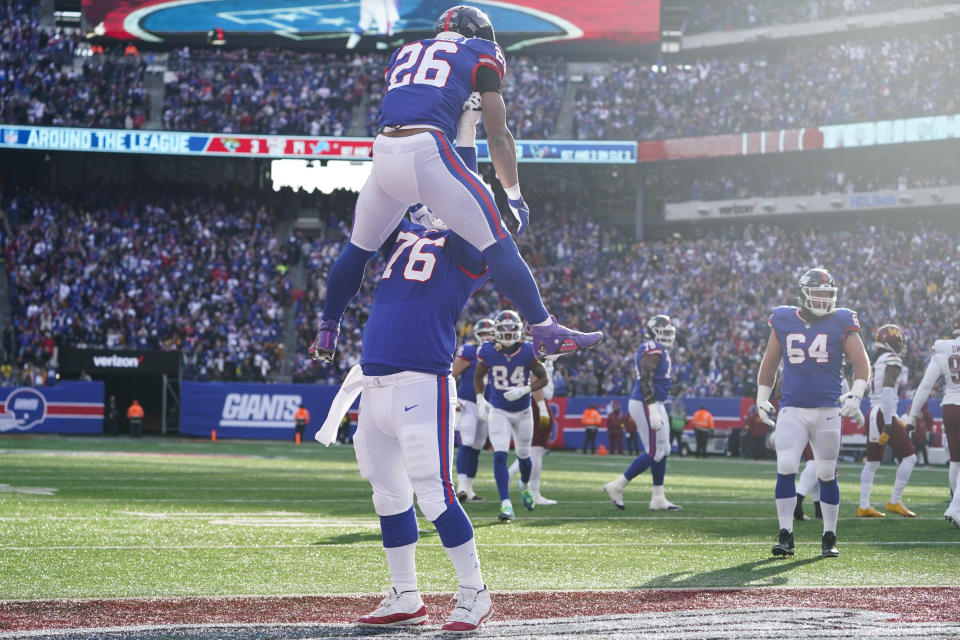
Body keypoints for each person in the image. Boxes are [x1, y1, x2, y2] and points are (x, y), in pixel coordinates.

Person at [309, 5, 602, 367]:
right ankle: (544, 329)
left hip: (384, 151)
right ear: (479, 33)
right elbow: (498, 134)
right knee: (497, 241)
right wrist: (513, 195)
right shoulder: (482, 51)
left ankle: (328, 327)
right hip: (428, 149)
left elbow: (412, 99)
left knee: (357, 249)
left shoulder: (403, 52)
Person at [319, 196, 493, 630]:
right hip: (375, 383)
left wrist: (465, 141)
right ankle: (405, 596)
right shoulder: (412, 231)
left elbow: (463, 190)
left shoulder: (471, 253)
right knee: (388, 496)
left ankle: (475, 591)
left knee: (435, 494)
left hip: (421, 381)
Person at [756, 268, 870, 558]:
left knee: (826, 471)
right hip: (792, 407)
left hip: (828, 408)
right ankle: (786, 534)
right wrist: (762, 397)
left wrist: (856, 394)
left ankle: (829, 536)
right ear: (804, 294)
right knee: (785, 466)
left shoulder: (842, 319)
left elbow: (862, 365)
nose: (823, 299)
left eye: (827, 294)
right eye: (818, 293)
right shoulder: (782, 318)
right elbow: (770, 362)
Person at [474, 310, 549, 522]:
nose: (507, 335)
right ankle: (505, 504)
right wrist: (480, 399)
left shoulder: (527, 350)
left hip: (523, 410)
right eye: (502, 331)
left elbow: (543, 379)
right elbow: (478, 375)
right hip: (498, 410)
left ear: (518, 331)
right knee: (499, 454)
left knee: (525, 457)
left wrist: (525, 390)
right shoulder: (487, 350)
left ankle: (524, 485)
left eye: (511, 331)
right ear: (495, 332)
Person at [603, 315, 682, 512]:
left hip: (655, 402)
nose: (667, 336)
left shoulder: (660, 349)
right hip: (647, 402)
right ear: (653, 331)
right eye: (663, 332)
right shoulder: (651, 348)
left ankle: (658, 498)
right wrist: (653, 407)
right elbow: (646, 379)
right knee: (655, 451)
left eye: (669, 332)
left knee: (663, 451)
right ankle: (617, 486)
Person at [901, 310, 960, 529]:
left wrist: (912, 416)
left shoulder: (943, 348)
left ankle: (956, 502)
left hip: (950, 406)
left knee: (956, 460)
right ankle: (956, 506)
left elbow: (925, 386)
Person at [858, 324, 917, 518]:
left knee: (873, 463)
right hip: (884, 414)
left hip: (873, 412)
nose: (901, 346)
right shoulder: (892, 359)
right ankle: (894, 501)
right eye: (898, 342)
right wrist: (890, 424)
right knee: (910, 457)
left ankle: (864, 505)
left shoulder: (878, 361)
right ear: (891, 343)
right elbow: (888, 390)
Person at [452, 317, 496, 502]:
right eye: (483, 334)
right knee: (467, 443)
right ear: (477, 335)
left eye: (489, 334)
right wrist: (452, 399)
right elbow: (451, 375)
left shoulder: (498, 352)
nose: (486, 337)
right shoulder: (470, 351)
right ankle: (461, 487)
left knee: (478, 446)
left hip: (486, 405)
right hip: (467, 402)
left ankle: (469, 490)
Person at [509, 356, 559, 504]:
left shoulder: (536, 346)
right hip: (536, 398)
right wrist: (542, 405)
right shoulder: (537, 347)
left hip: (534, 398)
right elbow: (534, 376)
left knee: (530, 450)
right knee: (536, 448)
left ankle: (507, 477)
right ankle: (534, 492)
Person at [912, 403, 931, 467]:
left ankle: (926, 464)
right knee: (916, 453)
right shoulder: (916, 421)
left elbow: (924, 432)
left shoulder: (923, 421)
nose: (921, 415)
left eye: (921, 414)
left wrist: (925, 440)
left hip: (922, 441)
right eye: (919, 414)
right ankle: (925, 464)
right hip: (916, 440)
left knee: (923, 452)